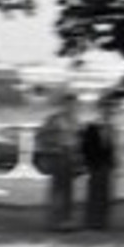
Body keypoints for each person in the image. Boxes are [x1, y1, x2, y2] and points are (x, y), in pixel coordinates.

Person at [36, 93, 82, 231]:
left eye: (74, 105)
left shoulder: (75, 120)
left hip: (70, 156)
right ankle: (54, 220)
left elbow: (77, 139)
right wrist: (54, 144)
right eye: (69, 104)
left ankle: (66, 220)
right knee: (58, 190)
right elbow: (41, 136)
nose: (72, 107)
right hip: (58, 155)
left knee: (69, 190)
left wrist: (78, 155)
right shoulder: (54, 120)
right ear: (63, 105)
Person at [81, 98, 117, 230]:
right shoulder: (92, 127)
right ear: (100, 110)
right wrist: (88, 163)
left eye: (109, 110)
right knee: (94, 194)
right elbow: (86, 147)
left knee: (105, 194)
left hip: (106, 165)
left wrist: (113, 163)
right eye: (105, 109)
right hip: (95, 165)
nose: (107, 112)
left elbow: (112, 148)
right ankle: (92, 221)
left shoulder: (111, 127)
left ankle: (103, 221)